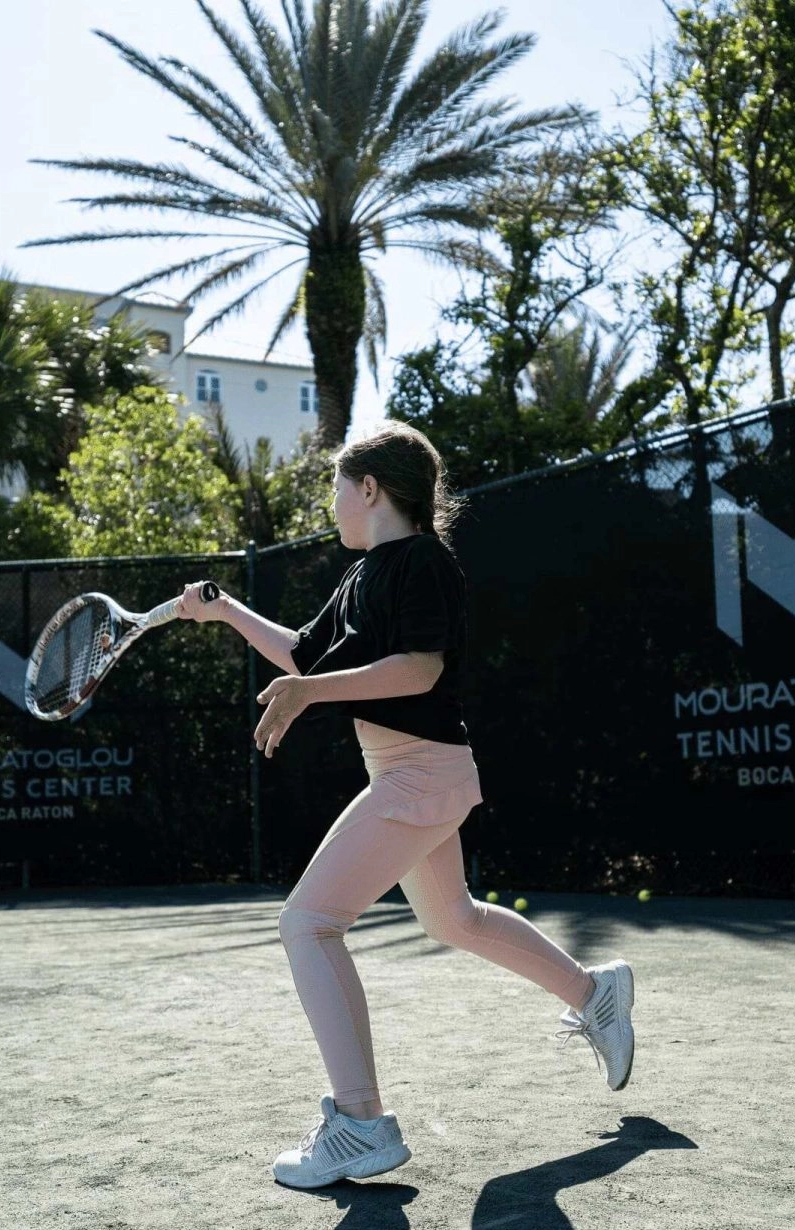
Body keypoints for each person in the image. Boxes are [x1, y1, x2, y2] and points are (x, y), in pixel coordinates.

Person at [179, 422, 636, 1190]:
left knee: (307, 924)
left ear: (370, 489)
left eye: (335, 487)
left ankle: (359, 1123)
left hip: (419, 774)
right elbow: (302, 654)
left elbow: (420, 670)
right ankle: (597, 993)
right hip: (417, 773)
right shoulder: (362, 576)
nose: (329, 503)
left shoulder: (422, 561)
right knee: (453, 918)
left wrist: (310, 693)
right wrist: (225, 611)